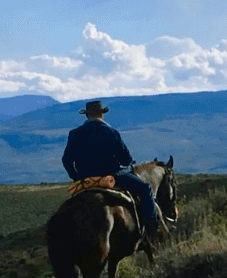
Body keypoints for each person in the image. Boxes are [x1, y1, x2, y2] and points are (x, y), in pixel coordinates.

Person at [61, 100, 162, 243]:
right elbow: (125, 158)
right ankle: (152, 230)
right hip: (112, 176)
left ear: (87, 115)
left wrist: (77, 177)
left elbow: (66, 160)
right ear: (101, 114)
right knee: (145, 189)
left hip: (86, 179)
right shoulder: (110, 131)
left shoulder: (75, 133)